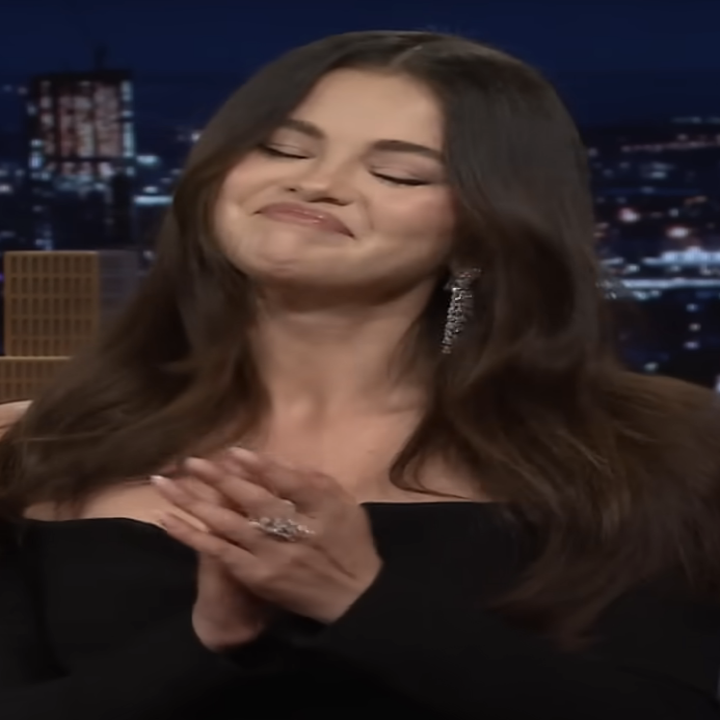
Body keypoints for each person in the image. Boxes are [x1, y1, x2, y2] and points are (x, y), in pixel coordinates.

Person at [1, 30, 720, 720]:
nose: (317, 183)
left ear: (482, 229)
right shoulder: (46, 450)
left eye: (396, 172)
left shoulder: (635, 448)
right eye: (282, 147)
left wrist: (359, 601)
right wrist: (207, 640)